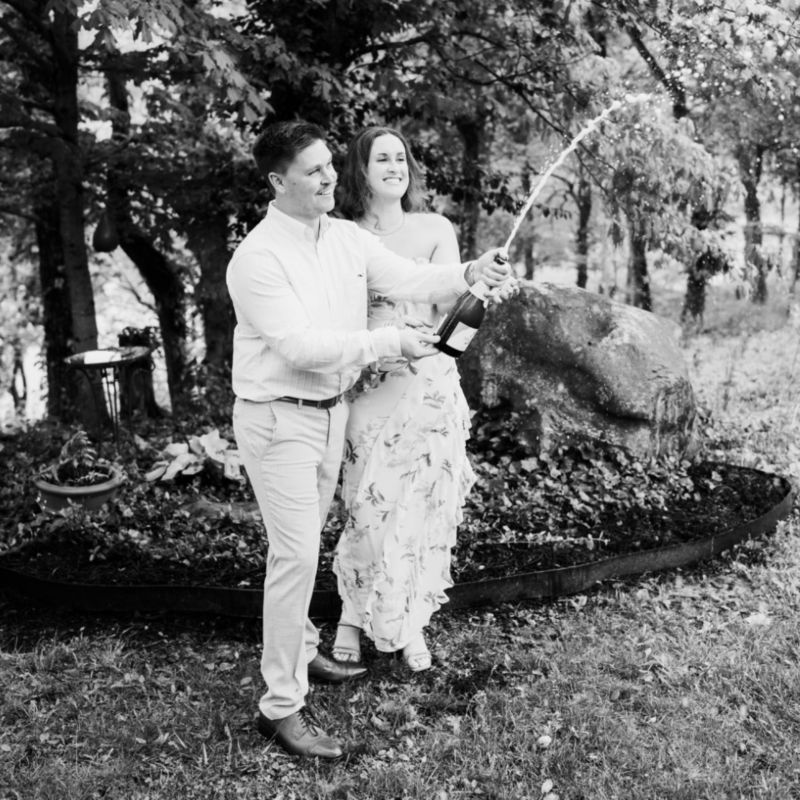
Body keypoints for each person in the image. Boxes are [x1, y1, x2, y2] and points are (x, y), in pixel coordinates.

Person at [226, 119, 511, 760]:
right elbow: (300, 347)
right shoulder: (258, 258)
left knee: (301, 547)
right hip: (279, 419)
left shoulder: (346, 238)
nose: (330, 177)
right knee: (294, 557)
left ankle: (305, 649)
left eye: (331, 164)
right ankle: (281, 706)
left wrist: (471, 269)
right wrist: (390, 342)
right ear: (277, 182)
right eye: (313, 171)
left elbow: (411, 279)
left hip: (330, 412)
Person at [330, 126, 495, 673]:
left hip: (428, 385)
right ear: (360, 169)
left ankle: (410, 620)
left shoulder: (434, 228)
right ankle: (351, 616)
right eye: (382, 158)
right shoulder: (342, 234)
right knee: (366, 505)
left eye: (401, 158)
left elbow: (451, 301)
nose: (395, 167)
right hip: (370, 384)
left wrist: (483, 284)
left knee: (420, 509)